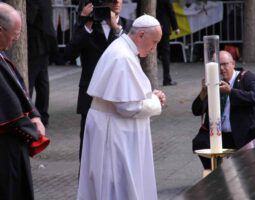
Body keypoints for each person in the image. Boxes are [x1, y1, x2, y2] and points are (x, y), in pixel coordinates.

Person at [77, 15, 165, 200]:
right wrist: (155, 103)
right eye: (154, 42)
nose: (154, 48)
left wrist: (149, 95)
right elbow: (127, 107)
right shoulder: (122, 56)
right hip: (113, 133)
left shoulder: (124, 49)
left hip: (113, 128)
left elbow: (125, 92)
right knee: (116, 185)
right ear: (141, 35)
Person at [64, 0, 132, 160]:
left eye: (118, 1)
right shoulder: (87, 26)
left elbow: (133, 56)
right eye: (111, 1)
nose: (115, 4)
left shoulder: (128, 26)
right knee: (88, 150)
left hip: (118, 95)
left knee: (116, 151)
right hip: (90, 97)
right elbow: (68, 55)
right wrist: (85, 24)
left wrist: (116, 30)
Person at [0, 2, 46, 199]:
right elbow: (6, 106)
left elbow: (18, 89)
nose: (15, 40)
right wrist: (30, 129)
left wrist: (34, 115)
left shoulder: (3, 53)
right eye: (14, 34)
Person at [192, 50, 255, 174]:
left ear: (233, 63)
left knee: (248, 172)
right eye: (218, 65)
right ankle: (214, 171)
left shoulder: (246, 77)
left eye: (225, 64)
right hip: (218, 133)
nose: (222, 69)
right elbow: (196, 111)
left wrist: (231, 91)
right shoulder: (214, 81)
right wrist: (203, 92)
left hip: (242, 132)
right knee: (200, 142)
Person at [27, 0, 58, 127]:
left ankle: (33, 115)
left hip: (36, 45)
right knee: (42, 82)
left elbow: (29, 17)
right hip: (42, 43)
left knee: (31, 81)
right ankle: (42, 115)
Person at [156, 0, 180, 86]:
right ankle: (167, 79)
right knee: (165, 54)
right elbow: (170, 11)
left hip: (150, 27)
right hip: (163, 28)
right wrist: (175, 27)